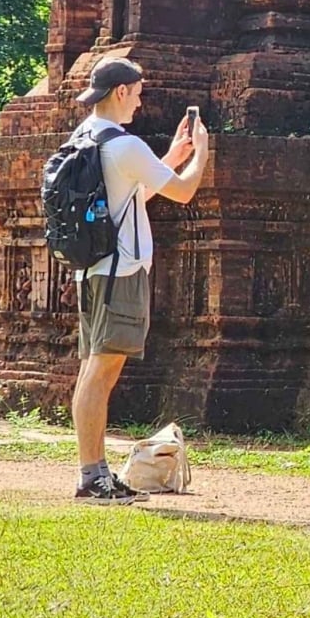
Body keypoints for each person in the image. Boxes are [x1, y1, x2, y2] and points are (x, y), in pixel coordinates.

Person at [68, 56, 209, 502]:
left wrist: (171, 157)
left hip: (91, 270)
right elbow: (183, 193)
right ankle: (93, 477)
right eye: (139, 93)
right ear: (122, 92)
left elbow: (130, 198)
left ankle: (94, 474)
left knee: (94, 369)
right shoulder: (124, 145)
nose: (140, 102)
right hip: (121, 271)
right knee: (101, 371)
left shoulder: (85, 136)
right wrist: (202, 152)